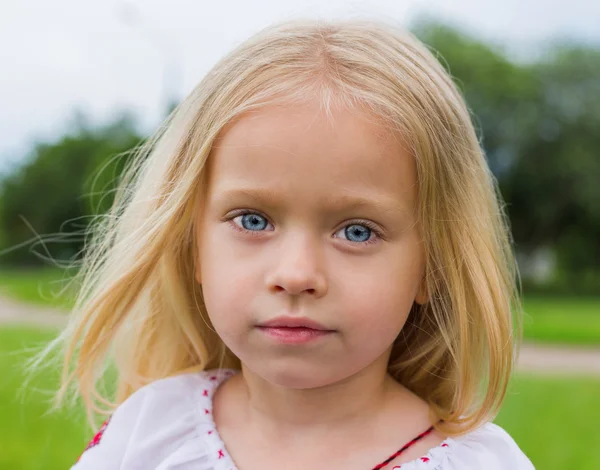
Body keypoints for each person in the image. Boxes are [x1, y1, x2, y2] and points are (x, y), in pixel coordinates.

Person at [51, 17, 534, 469]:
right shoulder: (147, 434)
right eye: (253, 220)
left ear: (432, 267)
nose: (296, 274)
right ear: (194, 245)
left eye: (357, 231)